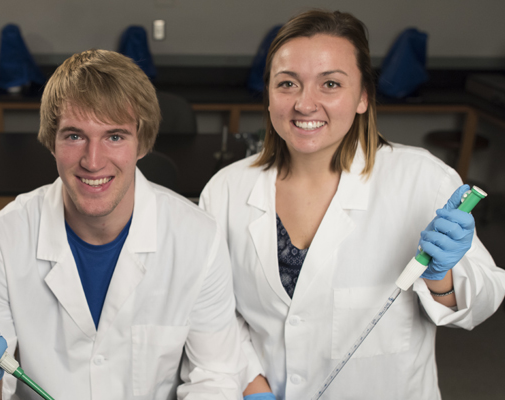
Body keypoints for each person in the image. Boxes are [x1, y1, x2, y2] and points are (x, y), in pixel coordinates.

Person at [199, 10, 505, 399]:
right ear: (269, 93)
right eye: (288, 83)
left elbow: (485, 300)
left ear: (363, 97)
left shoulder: (420, 179)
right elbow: (214, 313)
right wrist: (250, 381)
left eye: (330, 83)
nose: (305, 104)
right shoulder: (225, 190)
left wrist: (441, 279)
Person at [0, 49, 266, 399]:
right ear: (52, 140)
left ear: (142, 142)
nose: (93, 161)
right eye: (74, 136)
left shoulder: (198, 239)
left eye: (115, 136)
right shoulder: (2, 242)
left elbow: (213, 379)